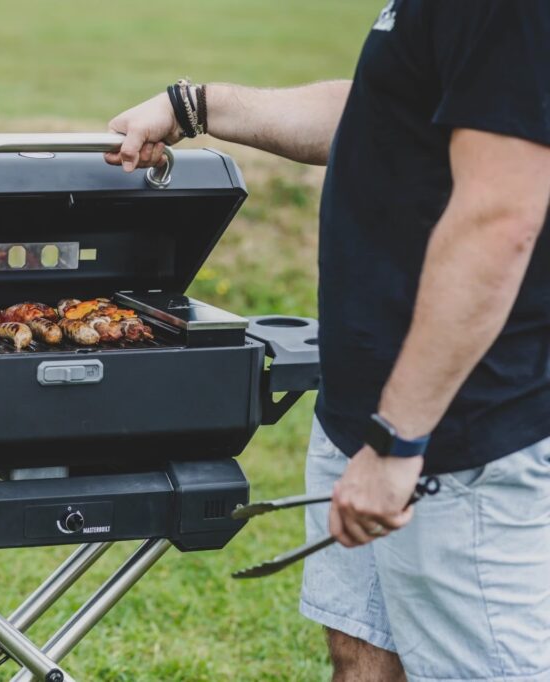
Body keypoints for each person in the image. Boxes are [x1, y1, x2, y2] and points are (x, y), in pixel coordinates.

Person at [104, 2, 550, 680]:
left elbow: (500, 220)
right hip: (365, 406)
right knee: (361, 654)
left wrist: (399, 441)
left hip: (458, 431)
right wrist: (193, 107)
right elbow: (380, 115)